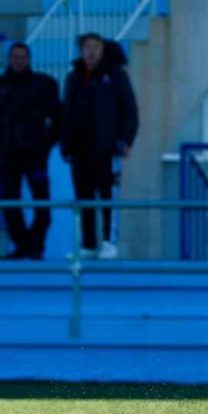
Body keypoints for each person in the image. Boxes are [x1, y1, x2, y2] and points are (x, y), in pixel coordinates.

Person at [61, 33, 138, 259]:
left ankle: (109, 241)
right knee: (83, 197)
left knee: (108, 196)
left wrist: (126, 140)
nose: (91, 51)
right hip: (80, 150)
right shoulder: (74, 77)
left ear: (103, 49)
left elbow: (130, 109)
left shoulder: (116, 75)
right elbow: (66, 113)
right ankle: (88, 243)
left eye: (95, 46)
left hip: (108, 148)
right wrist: (66, 145)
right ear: (81, 51)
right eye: (86, 47)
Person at [0, 42, 61, 259]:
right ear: (9, 59)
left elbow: (58, 118)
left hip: (36, 155)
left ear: (29, 59)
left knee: (42, 202)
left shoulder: (43, 84)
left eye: (22, 56)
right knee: (9, 202)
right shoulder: (1, 86)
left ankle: (36, 244)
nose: (18, 60)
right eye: (15, 57)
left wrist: (46, 143)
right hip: (7, 156)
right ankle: (23, 245)